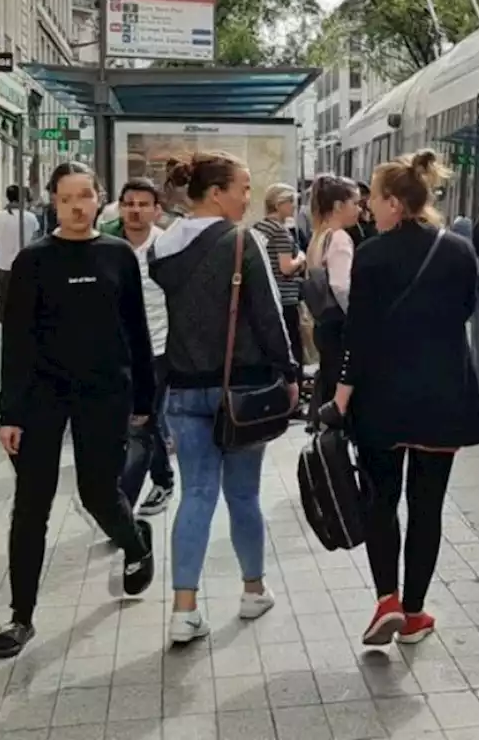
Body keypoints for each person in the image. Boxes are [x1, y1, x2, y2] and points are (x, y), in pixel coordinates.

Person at [0, 161, 157, 659]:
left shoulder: (118, 255)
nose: (79, 206)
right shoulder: (33, 261)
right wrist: (9, 412)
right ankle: (21, 616)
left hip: (105, 392)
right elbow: (16, 341)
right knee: (31, 505)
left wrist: (145, 399)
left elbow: (137, 333)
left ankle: (134, 543)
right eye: (68, 198)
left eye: (86, 196)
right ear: (54, 203)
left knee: (99, 493)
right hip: (42, 395)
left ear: (98, 198)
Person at [326, 150, 479, 647]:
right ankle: (415, 614)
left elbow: (358, 334)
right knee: (427, 506)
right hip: (444, 397)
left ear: (394, 202)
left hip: (383, 399)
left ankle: (387, 599)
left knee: (382, 500)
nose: (369, 207)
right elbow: (465, 310)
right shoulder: (460, 250)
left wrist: (341, 398)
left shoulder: (371, 254)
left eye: (373, 197)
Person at [149, 151, 298, 645]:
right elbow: (269, 315)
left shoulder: (161, 248)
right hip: (244, 389)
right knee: (243, 495)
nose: (247, 196)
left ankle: (183, 609)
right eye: (243, 187)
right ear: (216, 193)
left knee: (195, 495)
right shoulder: (242, 241)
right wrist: (290, 372)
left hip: (184, 390)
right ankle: (253, 590)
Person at [114, 178, 177, 516]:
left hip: (159, 347)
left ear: (157, 210)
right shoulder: (107, 246)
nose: (135, 210)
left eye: (142, 204)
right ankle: (163, 479)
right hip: (117, 349)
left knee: (141, 421)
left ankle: (122, 503)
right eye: (129, 204)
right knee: (144, 421)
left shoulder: (167, 247)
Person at [305, 175, 359, 407]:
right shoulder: (339, 238)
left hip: (323, 323)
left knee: (327, 380)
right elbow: (340, 285)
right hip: (338, 325)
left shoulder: (319, 235)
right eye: (355, 203)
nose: (359, 209)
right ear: (338, 206)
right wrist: (355, 315)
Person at [253, 183, 307, 373]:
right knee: (292, 345)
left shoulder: (258, 228)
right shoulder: (280, 231)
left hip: (265, 296)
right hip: (285, 297)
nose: (294, 206)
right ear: (278, 204)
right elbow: (286, 268)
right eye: (291, 202)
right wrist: (301, 257)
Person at [0, 185, 40, 324]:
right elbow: (36, 240)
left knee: (4, 298)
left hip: (4, 263)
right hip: (27, 264)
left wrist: (1, 250)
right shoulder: (31, 218)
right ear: (22, 198)